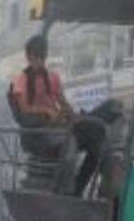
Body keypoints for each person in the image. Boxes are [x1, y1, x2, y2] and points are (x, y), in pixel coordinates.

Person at [10, 35, 109, 196]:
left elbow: (63, 102)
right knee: (69, 145)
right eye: (35, 58)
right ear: (28, 58)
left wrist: (75, 117)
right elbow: (24, 110)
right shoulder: (21, 80)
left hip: (58, 127)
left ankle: (79, 189)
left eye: (42, 57)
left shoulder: (52, 78)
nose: (39, 63)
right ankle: (63, 190)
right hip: (38, 133)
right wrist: (47, 113)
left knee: (97, 143)